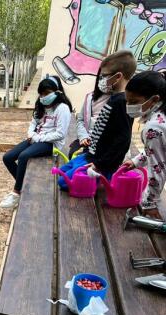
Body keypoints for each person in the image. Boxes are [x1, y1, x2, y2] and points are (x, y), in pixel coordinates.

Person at [56, 50, 137, 191]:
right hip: (91, 155)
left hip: (100, 163)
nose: (101, 79)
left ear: (118, 77)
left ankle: (100, 182)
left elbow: (123, 140)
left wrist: (100, 165)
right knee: (62, 171)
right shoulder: (114, 98)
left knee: (64, 182)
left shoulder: (121, 102)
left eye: (104, 75)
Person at [0, 76, 73, 209]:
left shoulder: (62, 108)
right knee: (8, 157)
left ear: (57, 92)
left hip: (51, 143)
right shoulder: (40, 105)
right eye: (41, 93)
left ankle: (16, 193)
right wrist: (31, 134)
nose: (43, 97)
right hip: (36, 138)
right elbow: (33, 124)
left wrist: (37, 138)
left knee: (23, 156)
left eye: (47, 93)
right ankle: (26, 186)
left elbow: (60, 134)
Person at [121, 71, 166, 220]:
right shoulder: (161, 116)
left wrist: (149, 203)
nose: (129, 106)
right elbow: (157, 150)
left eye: (134, 102)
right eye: (127, 101)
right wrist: (136, 161)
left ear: (154, 99)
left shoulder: (154, 127)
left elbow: (157, 167)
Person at [69, 68, 110, 159]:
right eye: (102, 76)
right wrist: (83, 136)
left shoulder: (117, 101)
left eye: (109, 76)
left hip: (103, 148)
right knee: (72, 156)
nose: (104, 80)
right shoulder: (90, 97)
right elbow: (80, 120)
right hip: (87, 141)